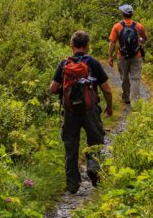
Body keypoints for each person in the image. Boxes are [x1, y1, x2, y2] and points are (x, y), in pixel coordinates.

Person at [49, 30, 113, 194]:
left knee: (71, 146)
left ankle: (72, 184)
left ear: (71, 45)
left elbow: (53, 89)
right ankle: (93, 167)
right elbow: (106, 89)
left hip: (70, 112)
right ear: (87, 46)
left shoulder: (64, 64)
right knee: (95, 141)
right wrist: (109, 106)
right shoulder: (93, 62)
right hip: (90, 110)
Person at [108, 4, 147, 104]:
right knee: (135, 78)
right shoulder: (139, 26)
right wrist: (139, 41)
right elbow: (144, 39)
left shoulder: (117, 26)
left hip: (122, 56)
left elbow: (112, 42)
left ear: (122, 14)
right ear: (132, 14)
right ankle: (135, 101)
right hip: (136, 56)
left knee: (124, 78)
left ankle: (126, 98)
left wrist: (110, 57)